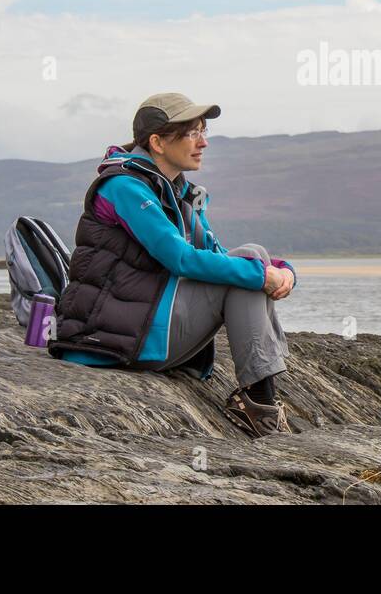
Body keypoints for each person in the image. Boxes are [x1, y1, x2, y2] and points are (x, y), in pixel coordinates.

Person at [47, 92, 297, 437]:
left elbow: (218, 254)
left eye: (203, 131)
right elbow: (178, 258)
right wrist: (260, 274)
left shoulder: (175, 190)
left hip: (147, 323)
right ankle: (260, 402)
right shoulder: (124, 187)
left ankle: (260, 401)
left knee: (252, 256)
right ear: (158, 143)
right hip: (115, 340)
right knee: (249, 271)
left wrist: (283, 271)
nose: (204, 142)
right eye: (192, 133)